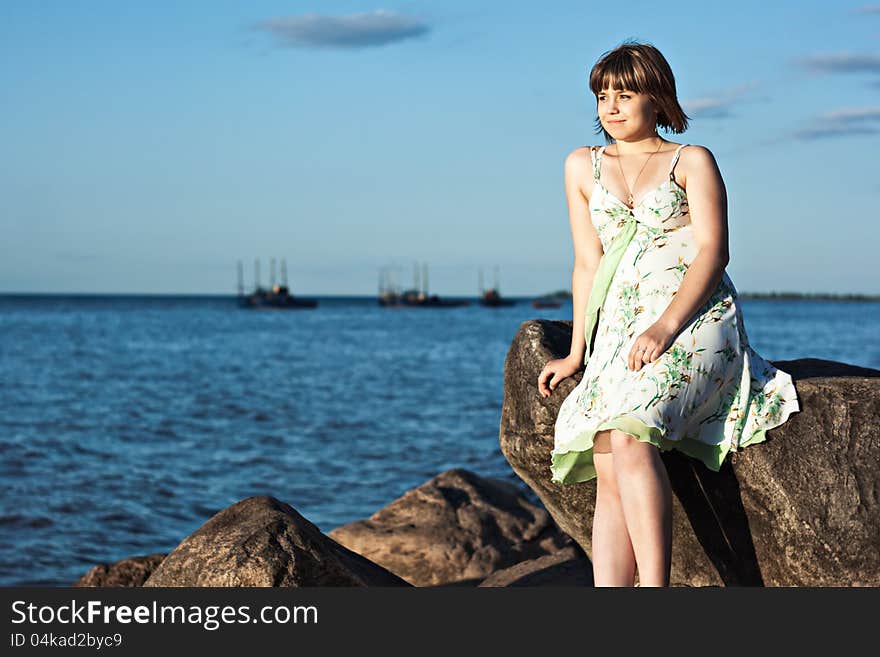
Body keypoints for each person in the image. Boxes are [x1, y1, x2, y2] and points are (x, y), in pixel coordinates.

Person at [536, 41, 800, 587]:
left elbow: (713, 251)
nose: (611, 106)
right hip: (620, 323)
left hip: (695, 318)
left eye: (625, 93)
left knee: (630, 437)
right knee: (607, 452)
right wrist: (577, 350)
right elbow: (587, 263)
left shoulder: (691, 160)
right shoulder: (580, 165)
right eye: (603, 94)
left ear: (656, 98)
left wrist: (665, 326)